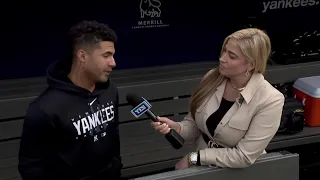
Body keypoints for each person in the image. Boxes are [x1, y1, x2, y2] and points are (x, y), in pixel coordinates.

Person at [152, 28, 285, 169]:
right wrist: (177, 128)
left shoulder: (271, 100)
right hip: (202, 165)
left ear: (251, 64)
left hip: (239, 172)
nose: (222, 58)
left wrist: (194, 158)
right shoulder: (212, 78)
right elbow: (194, 124)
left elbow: (244, 156)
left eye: (232, 56)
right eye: (224, 51)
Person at [18, 20, 123, 180]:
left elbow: (113, 137)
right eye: (106, 55)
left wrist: (116, 168)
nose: (113, 62)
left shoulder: (110, 91)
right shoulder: (44, 109)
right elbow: (31, 168)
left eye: (113, 55)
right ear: (82, 56)